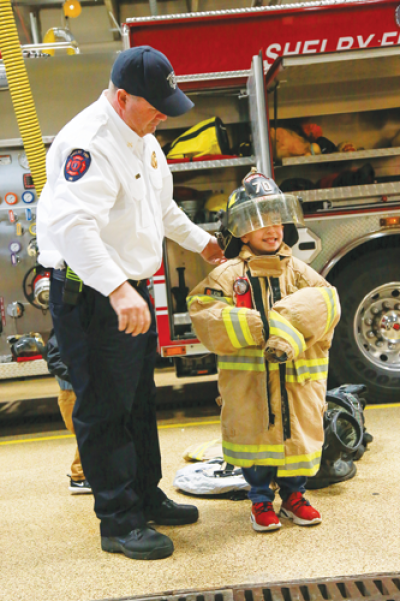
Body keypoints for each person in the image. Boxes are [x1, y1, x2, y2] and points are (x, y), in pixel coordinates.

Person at [36, 45, 225, 561]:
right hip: (95, 294)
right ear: (122, 97)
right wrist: (119, 289)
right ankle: (118, 521)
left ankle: (145, 494)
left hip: (126, 290)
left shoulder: (141, 137)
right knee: (104, 409)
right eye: (156, 104)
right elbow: (74, 227)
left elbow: (159, 206)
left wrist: (200, 241)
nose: (165, 113)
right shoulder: (91, 143)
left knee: (139, 401)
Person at [188, 169, 341, 532]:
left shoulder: (299, 271)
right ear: (240, 230)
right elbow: (203, 311)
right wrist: (262, 327)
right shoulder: (228, 275)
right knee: (256, 440)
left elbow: (327, 302)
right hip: (250, 386)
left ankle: (294, 496)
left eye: (277, 220)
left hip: (296, 385)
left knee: (295, 439)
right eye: (260, 222)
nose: (272, 229)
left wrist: (286, 329)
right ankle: (259, 500)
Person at [44, 331, 91, 494]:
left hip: (77, 392)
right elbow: (55, 361)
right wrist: (80, 378)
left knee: (92, 432)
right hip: (72, 394)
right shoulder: (61, 332)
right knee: (87, 432)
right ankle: (79, 477)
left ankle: (88, 474)